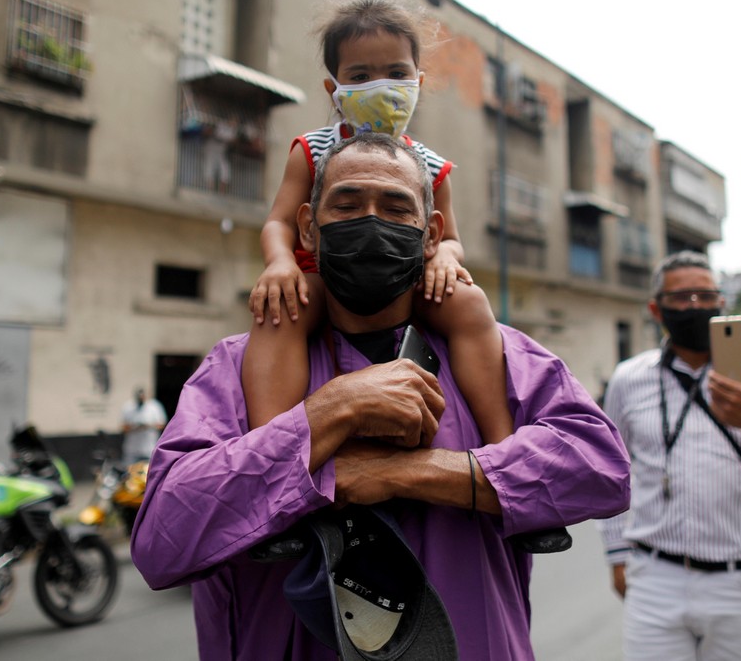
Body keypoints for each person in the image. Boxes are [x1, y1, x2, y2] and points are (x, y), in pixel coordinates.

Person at [130, 134, 631, 660]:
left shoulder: (494, 353)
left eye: (396, 207)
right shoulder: (236, 366)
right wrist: (329, 410)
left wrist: (398, 473)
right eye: (346, 205)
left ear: (431, 233)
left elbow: (601, 468)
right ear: (308, 227)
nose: (371, 222)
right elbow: (164, 539)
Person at [244, 0, 511, 450]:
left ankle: (500, 443)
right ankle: (270, 450)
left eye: (395, 73)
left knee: (468, 303)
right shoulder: (311, 150)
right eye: (361, 75)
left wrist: (446, 259)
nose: (380, 85)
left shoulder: (431, 166)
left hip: (404, 285)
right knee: (280, 311)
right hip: (322, 280)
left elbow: (449, 237)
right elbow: (280, 223)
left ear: (418, 82)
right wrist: (280, 264)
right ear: (335, 88)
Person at [597, 253, 741, 661]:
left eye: (706, 295)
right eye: (682, 297)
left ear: (723, 303)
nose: (695, 306)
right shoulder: (630, 379)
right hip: (654, 579)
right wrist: (617, 555)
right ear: (656, 308)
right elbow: (614, 475)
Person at [121, 386, 167, 463]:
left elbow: (162, 425)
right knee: (130, 472)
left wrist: (148, 426)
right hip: (132, 449)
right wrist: (135, 427)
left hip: (149, 448)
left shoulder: (154, 406)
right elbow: (123, 427)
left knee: (147, 472)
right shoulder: (128, 407)